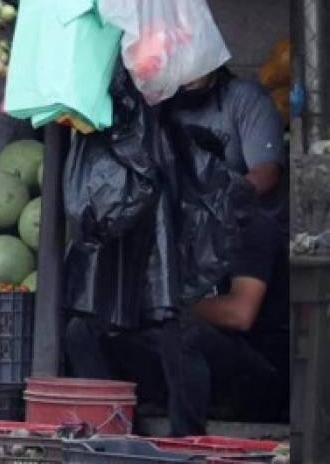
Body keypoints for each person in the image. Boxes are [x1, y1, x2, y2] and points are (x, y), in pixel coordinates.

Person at [65, 65, 289, 436]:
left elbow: (239, 314)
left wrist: (161, 303)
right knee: (82, 329)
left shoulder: (250, 223)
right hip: (182, 362)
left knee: (178, 329)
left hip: (252, 375)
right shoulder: (169, 222)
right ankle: (118, 436)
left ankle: (186, 443)